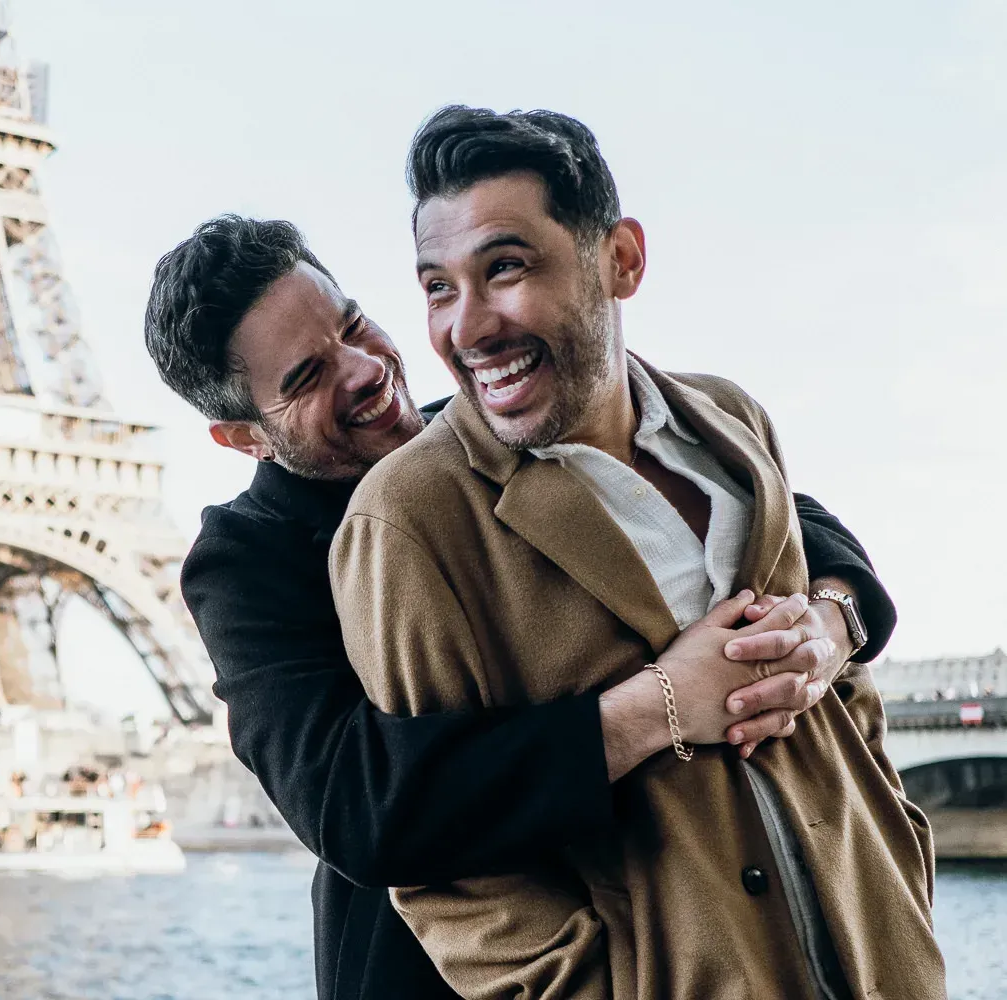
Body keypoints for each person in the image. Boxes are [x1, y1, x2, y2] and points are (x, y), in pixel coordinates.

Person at [144, 213, 898, 996]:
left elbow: (758, 500)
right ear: (243, 439)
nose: (364, 368)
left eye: (354, 325)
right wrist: (661, 706)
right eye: (306, 377)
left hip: (684, 928)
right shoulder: (245, 563)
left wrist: (834, 616)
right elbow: (359, 806)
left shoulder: (484, 429)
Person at [329, 106, 942, 998]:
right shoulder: (410, 517)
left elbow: (843, 697)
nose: (468, 326)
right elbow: (447, 870)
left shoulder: (733, 419)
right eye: (437, 288)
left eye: (504, 269)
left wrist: (901, 872)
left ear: (621, 260)